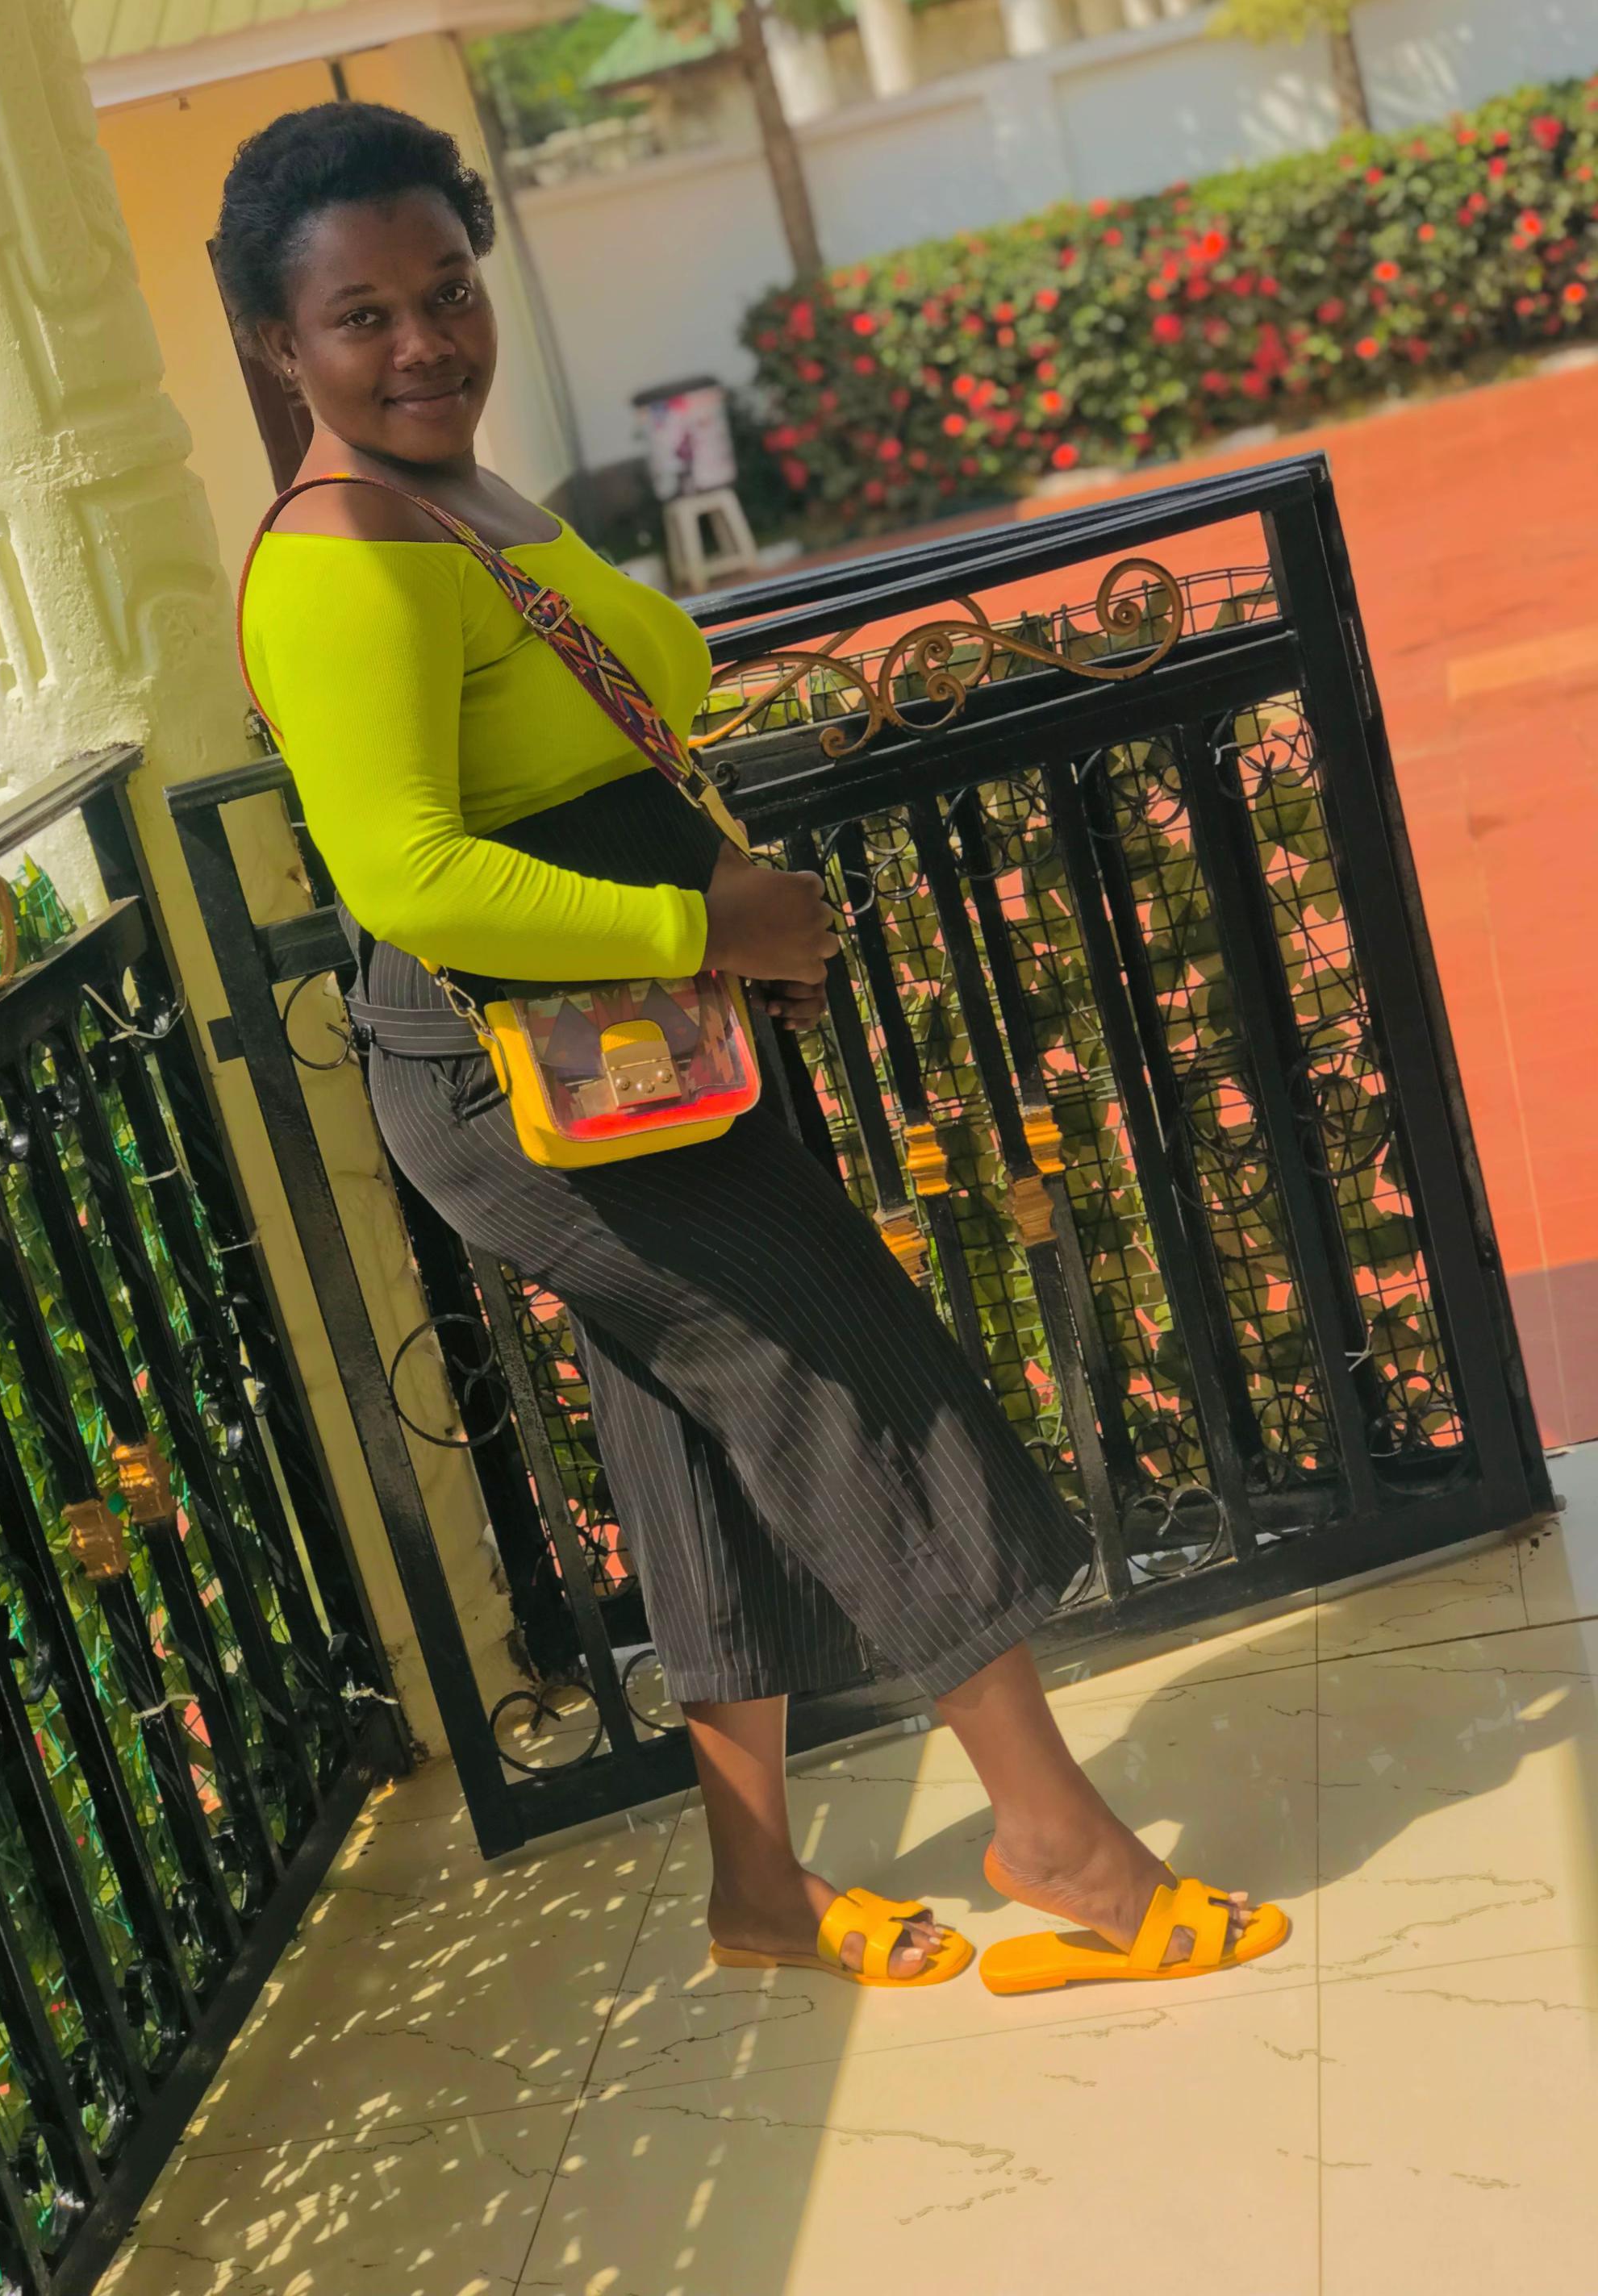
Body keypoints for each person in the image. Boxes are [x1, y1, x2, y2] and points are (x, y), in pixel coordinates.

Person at [219, 101, 1283, 1992]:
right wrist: (705, 928)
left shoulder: (461, 495)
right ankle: (1061, 1847)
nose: (424, 344)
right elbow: (410, 877)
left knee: (697, 1424)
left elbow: (586, 743)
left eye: (448, 291)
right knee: (843, 1370)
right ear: (276, 345)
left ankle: (758, 1894)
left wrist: (713, 929)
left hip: (624, 1041)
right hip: (523, 1079)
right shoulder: (341, 555)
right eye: (361, 317)